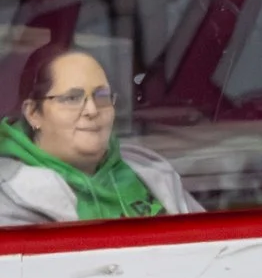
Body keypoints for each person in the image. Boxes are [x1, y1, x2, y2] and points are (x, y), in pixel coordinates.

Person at [0, 43, 200, 222]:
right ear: (33, 113)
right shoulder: (8, 197)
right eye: (72, 98)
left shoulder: (148, 168)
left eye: (101, 96)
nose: (92, 110)